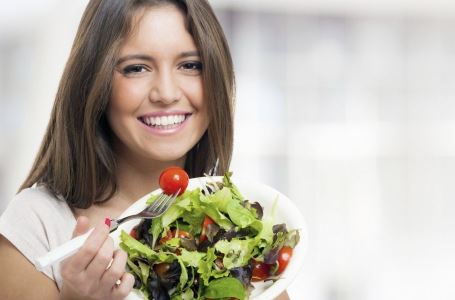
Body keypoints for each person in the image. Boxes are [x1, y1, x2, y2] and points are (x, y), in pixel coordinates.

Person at [0, 0, 289, 299]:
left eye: (190, 65)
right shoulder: (35, 227)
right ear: (94, 82)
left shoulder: (239, 229)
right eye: (136, 68)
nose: (166, 93)